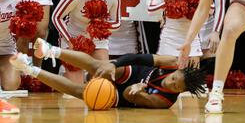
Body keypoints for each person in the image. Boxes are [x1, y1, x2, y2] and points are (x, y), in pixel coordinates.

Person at [10, 38, 206, 108]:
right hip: (133, 71)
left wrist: (138, 90)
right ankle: (51, 50)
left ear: (180, 91)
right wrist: (113, 65)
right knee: (99, 66)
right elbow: (138, 58)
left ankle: (29, 68)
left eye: (175, 87)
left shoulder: (165, 101)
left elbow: (131, 95)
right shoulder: (172, 63)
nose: (170, 84)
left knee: (83, 93)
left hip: (125, 97)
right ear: (177, 70)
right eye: (173, 79)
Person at [51, 0, 121, 84]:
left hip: (97, 40)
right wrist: (70, 40)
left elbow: (117, 23)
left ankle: (89, 76)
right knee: (75, 88)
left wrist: (100, 26)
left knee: (103, 80)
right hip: (73, 37)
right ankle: (66, 71)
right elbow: (56, 17)